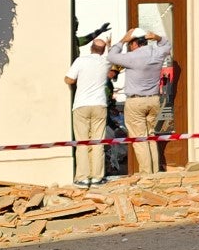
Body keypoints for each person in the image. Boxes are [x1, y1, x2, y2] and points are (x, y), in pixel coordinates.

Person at [108, 27, 173, 175]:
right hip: (154, 99)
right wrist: (156, 37)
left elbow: (111, 56)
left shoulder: (131, 57)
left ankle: (146, 174)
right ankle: (155, 172)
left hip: (136, 101)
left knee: (140, 139)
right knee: (151, 136)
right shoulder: (157, 53)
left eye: (129, 44)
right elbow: (167, 45)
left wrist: (122, 40)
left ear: (134, 43)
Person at [64, 34, 113, 186]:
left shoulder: (81, 61)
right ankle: (98, 177)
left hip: (82, 105)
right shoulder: (106, 61)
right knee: (98, 143)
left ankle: (83, 177)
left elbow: (69, 79)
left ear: (91, 47)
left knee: (82, 142)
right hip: (99, 104)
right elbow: (113, 59)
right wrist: (110, 46)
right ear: (103, 50)